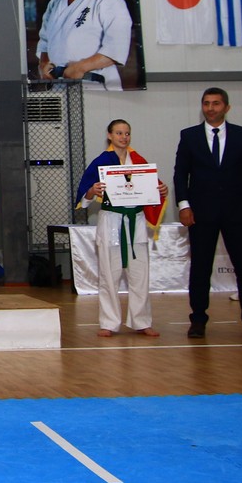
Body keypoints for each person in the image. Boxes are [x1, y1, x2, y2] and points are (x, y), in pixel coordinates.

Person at [173, 87, 242, 339]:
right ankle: (198, 320)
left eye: (216, 103)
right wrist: (184, 205)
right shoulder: (189, 136)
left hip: (238, 212)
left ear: (227, 107)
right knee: (200, 267)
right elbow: (180, 174)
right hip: (200, 212)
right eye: (206, 103)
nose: (210, 108)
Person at [75, 119, 167, 337]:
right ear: (109, 135)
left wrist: (161, 189)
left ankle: (142, 321)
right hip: (111, 220)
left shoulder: (139, 161)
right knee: (109, 274)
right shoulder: (101, 162)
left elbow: (152, 188)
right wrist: (92, 191)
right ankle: (109, 322)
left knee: (140, 274)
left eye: (126, 133)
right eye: (118, 133)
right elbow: (84, 196)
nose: (123, 137)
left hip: (136, 221)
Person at [34, 0, 133, 91]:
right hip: (58, 84)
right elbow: (45, 40)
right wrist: (43, 64)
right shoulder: (56, 1)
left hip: (95, 84)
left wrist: (81, 67)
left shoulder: (110, 0)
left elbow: (116, 48)